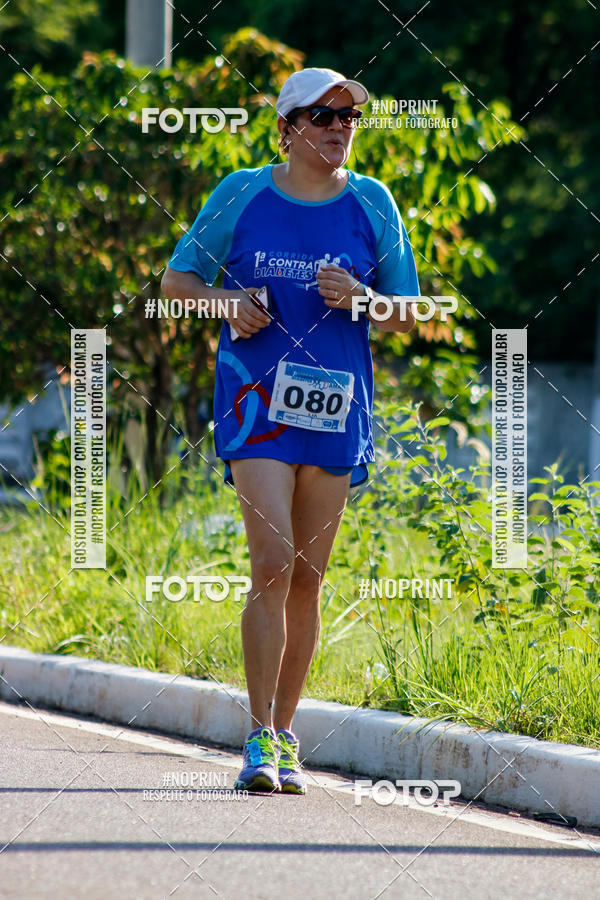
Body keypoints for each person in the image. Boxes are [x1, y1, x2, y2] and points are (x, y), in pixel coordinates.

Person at [161, 67, 419, 795]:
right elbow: (176, 286)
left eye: (350, 119)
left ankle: (284, 734)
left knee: (307, 577)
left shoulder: (373, 203)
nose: (340, 129)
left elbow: (414, 308)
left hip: (336, 409)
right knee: (271, 562)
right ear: (289, 125)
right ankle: (254, 735)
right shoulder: (242, 192)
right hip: (254, 403)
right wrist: (226, 302)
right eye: (326, 116)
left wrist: (367, 299)